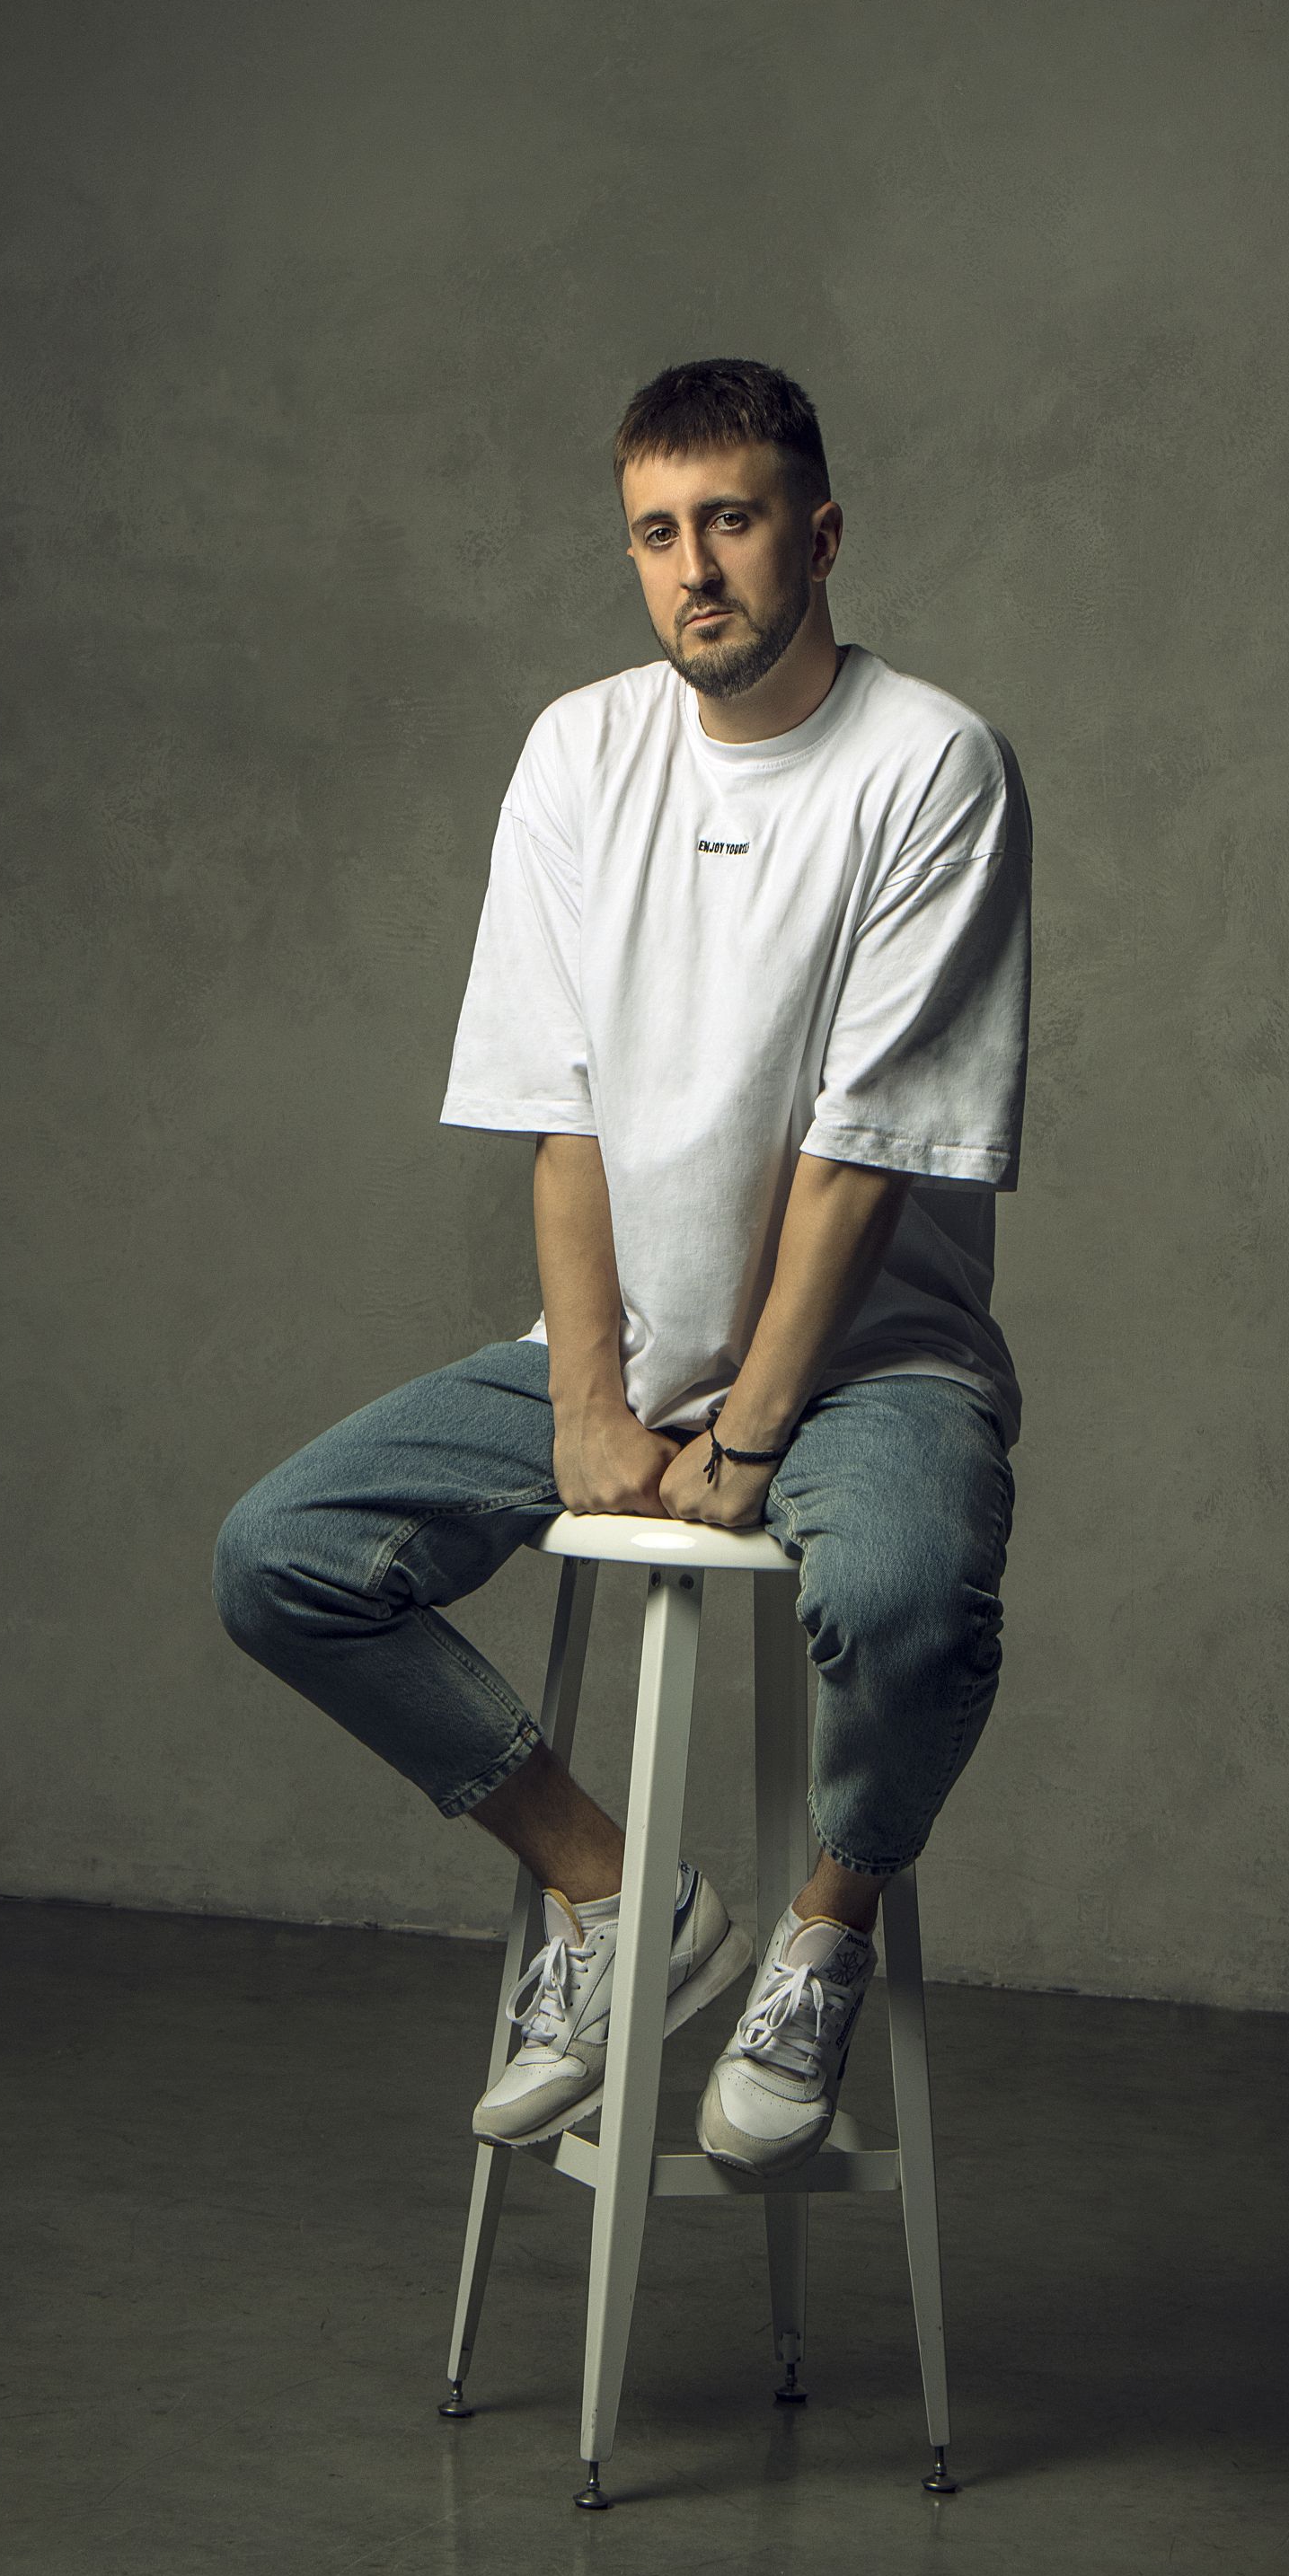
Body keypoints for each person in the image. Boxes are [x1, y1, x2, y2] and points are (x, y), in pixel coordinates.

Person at [215, 357, 1029, 2176]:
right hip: (632, 1345)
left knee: (902, 1596)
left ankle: (820, 1936)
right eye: (656, 533)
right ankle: (619, 1900)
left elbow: (861, 1155)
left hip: (869, 1363)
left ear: (820, 534)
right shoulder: (581, 749)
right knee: (280, 1558)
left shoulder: (931, 764)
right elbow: (556, 1109)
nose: (694, 570)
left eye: (730, 521)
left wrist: (750, 1433)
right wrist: (588, 1393)